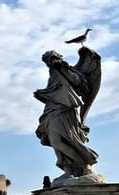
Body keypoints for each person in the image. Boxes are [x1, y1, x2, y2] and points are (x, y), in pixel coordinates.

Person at [33, 49, 101, 184]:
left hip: (67, 109)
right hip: (52, 110)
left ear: (58, 58)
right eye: (46, 61)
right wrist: (43, 94)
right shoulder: (52, 74)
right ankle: (68, 171)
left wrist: (63, 69)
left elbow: (78, 83)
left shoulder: (67, 69)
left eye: (51, 59)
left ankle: (85, 166)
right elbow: (56, 91)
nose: (49, 62)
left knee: (71, 139)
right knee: (55, 141)